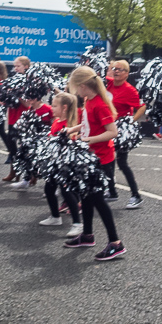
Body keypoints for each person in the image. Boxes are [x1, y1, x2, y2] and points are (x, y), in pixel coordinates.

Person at [63, 66, 126, 261]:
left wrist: (87, 140)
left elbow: (112, 132)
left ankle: (116, 243)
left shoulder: (99, 104)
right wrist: (72, 129)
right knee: (86, 196)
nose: (74, 90)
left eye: (75, 86)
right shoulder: (88, 100)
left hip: (101, 159)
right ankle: (88, 235)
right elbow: (88, 123)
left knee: (97, 199)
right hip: (90, 157)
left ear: (83, 85)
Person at [38, 91, 83, 236]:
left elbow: (70, 142)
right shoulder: (57, 121)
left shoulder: (68, 125)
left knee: (67, 191)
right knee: (49, 189)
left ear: (64, 108)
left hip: (65, 164)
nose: (51, 108)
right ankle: (55, 217)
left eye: (54, 105)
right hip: (54, 163)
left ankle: (77, 223)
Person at [105, 59, 146, 209]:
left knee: (122, 163)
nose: (116, 71)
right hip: (108, 128)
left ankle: (136, 196)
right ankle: (111, 191)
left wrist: (130, 121)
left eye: (120, 69)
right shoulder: (107, 83)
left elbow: (141, 107)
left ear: (127, 74)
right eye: (114, 68)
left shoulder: (130, 90)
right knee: (106, 160)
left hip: (121, 131)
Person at [1, 56, 31, 182]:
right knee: (12, 147)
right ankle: (14, 172)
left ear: (26, 67)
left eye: (18, 66)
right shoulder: (12, 80)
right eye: (14, 66)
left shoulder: (30, 82)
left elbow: (27, 104)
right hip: (12, 119)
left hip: (24, 120)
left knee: (26, 148)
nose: (15, 68)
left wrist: (18, 95)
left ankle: (29, 175)